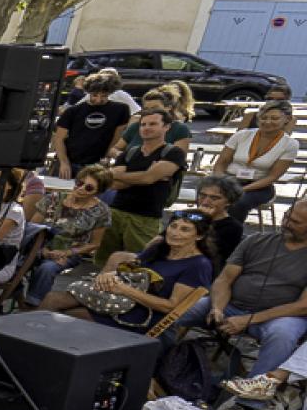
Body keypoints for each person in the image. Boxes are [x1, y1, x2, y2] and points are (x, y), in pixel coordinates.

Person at [185, 202, 307, 379]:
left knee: (282, 335)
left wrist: (248, 320)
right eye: (287, 216)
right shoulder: (256, 240)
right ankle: (149, 364)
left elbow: (302, 306)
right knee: (179, 311)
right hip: (231, 306)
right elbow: (224, 279)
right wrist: (217, 307)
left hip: (277, 317)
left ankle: (250, 398)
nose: (286, 223)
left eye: (295, 222)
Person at [39, 211, 213, 332]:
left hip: (141, 315)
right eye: (173, 226)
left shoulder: (198, 265)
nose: (175, 233)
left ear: (199, 236)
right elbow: (131, 268)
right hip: (119, 298)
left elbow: (170, 306)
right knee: (52, 299)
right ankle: (24, 341)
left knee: (63, 317)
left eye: (185, 229)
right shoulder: (161, 248)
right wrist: (110, 275)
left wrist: (124, 289)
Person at [99, 110, 187, 262]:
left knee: (139, 261)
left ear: (166, 127)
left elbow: (147, 179)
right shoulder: (130, 152)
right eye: (143, 124)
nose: (146, 128)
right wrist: (147, 176)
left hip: (146, 216)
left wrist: (122, 174)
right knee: (105, 259)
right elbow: (114, 183)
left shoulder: (173, 153)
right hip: (116, 211)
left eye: (153, 124)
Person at [23, 165, 114, 307]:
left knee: (47, 269)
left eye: (89, 188)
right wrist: (41, 250)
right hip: (37, 245)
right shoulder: (54, 198)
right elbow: (32, 228)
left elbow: (95, 244)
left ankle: (33, 305)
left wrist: (67, 252)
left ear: (98, 192)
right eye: (79, 183)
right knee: (15, 259)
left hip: (70, 252)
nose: (81, 188)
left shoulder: (101, 211)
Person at [212, 101, 298, 226]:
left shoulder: (290, 144)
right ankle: (202, 231)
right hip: (228, 179)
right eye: (263, 118)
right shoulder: (242, 135)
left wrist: (241, 189)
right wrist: (221, 181)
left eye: (274, 118)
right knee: (206, 194)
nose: (267, 122)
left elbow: (272, 177)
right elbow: (221, 163)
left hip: (258, 186)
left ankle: (230, 235)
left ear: (287, 119)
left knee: (238, 202)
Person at [51, 72, 131, 179]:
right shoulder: (73, 111)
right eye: (95, 95)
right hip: (71, 161)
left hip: (97, 165)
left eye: (104, 96)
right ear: (88, 92)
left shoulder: (120, 110)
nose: (99, 99)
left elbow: (117, 137)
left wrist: (107, 157)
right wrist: (64, 162)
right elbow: (59, 138)